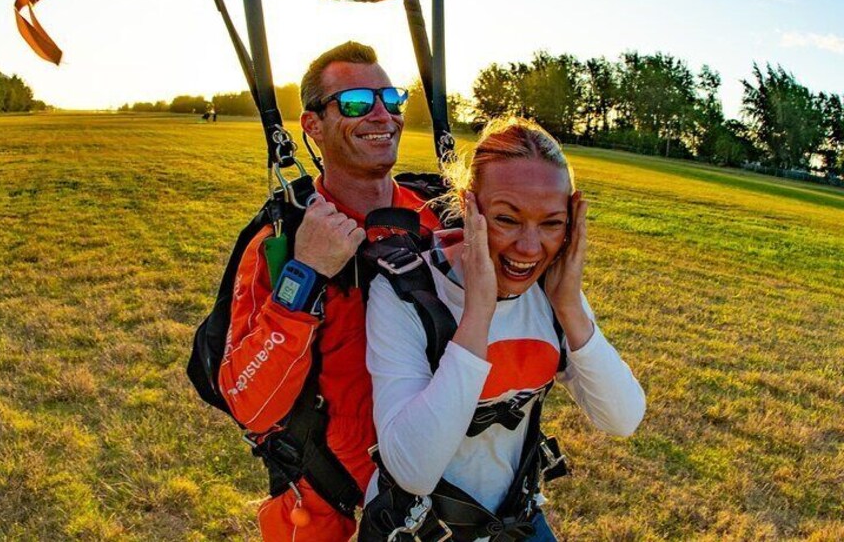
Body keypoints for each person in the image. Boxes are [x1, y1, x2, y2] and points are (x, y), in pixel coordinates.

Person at [364, 117, 647, 540]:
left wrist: (569, 305)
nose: (530, 248)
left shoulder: (551, 292)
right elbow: (413, 470)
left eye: (552, 223)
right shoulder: (406, 291)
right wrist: (479, 311)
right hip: (420, 526)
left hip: (517, 520)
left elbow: (621, 419)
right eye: (506, 220)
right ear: (469, 207)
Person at [217, 41, 440, 542]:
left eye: (391, 98)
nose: (382, 114)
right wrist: (307, 273)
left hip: (435, 479)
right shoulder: (282, 241)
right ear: (312, 125)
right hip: (324, 495)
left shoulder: (436, 220)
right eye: (358, 103)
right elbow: (251, 404)